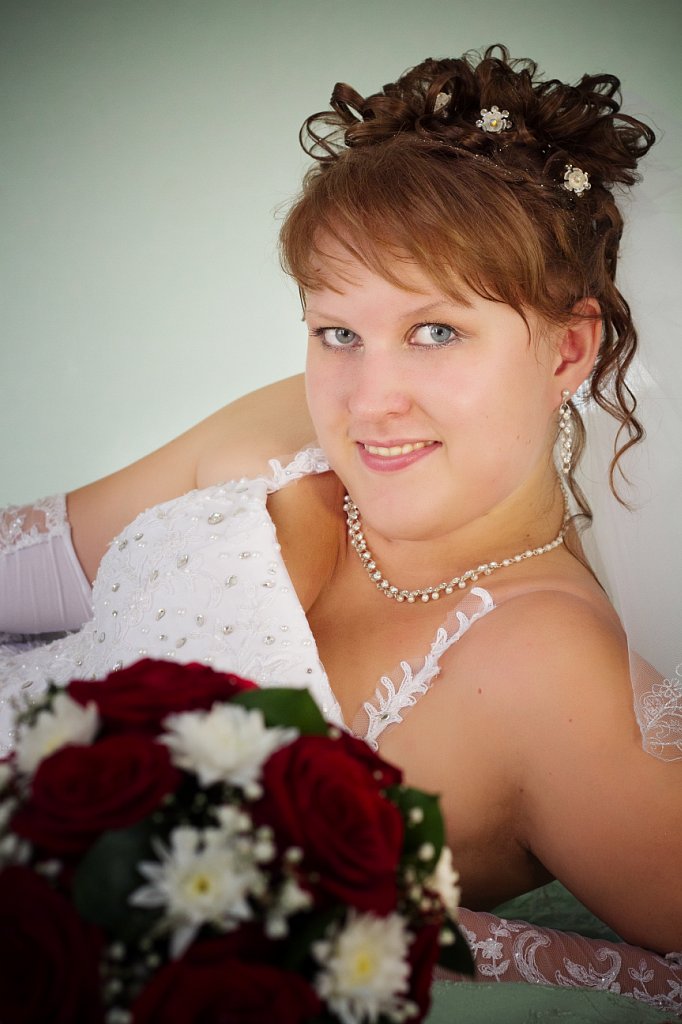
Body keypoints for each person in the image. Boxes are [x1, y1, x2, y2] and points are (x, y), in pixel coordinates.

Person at [1, 46, 681, 1015]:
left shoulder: (554, 673)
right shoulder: (288, 429)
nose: (368, 401)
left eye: (436, 331)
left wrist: (377, 931)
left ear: (569, 349)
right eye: (338, 332)